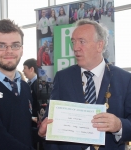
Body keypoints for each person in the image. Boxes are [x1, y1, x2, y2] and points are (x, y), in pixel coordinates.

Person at [38, 19, 131, 150]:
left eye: (82, 42)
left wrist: (119, 125)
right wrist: (44, 132)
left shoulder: (125, 79)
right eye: (73, 42)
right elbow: (50, 122)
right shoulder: (63, 77)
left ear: (100, 45)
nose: (75, 48)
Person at [0, 19, 51, 150]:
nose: (9, 51)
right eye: (1, 45)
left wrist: (38, 133)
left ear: (22, 49)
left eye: (15, 45)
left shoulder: (24, 88)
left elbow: (21, 132)